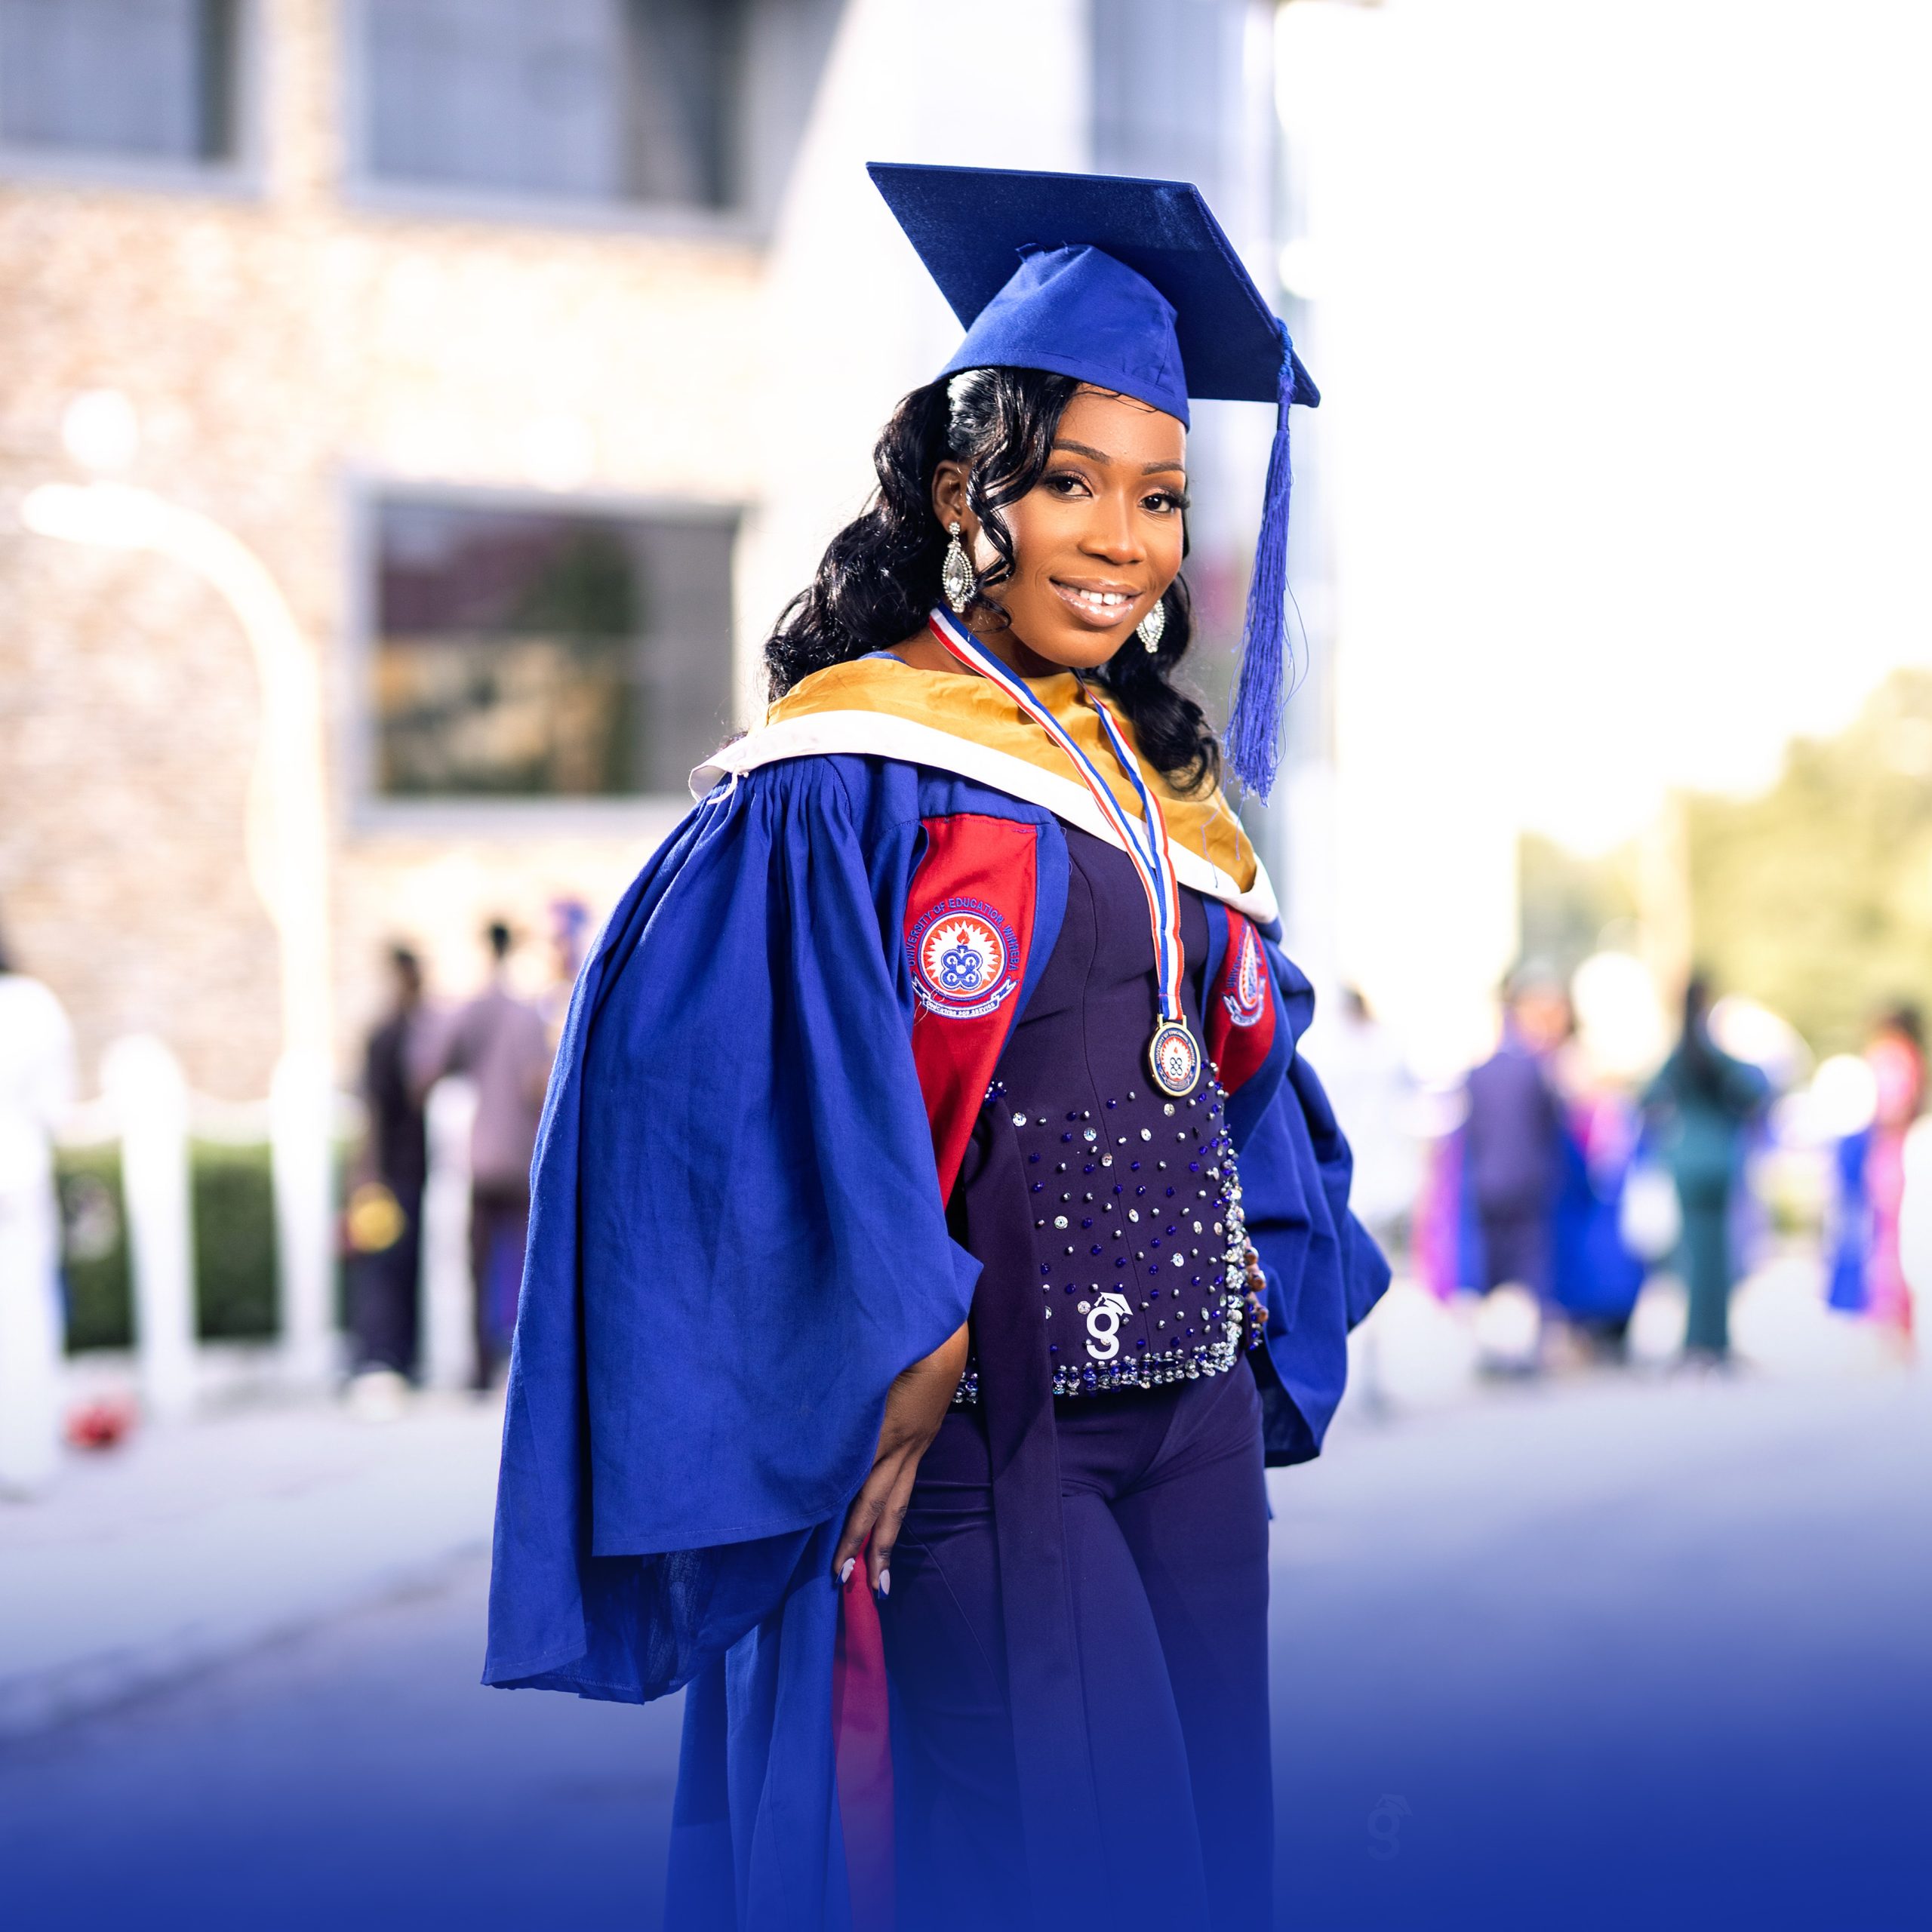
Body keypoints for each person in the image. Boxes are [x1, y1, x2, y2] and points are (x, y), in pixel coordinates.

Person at [483, 164, 1389, 1931]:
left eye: (1157, 498)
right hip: (988, 1413)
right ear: (964, 490)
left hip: (1180, 1408)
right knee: (1039, 1844)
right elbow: (708, 1088)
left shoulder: (1155, 785)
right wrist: (889, 1325)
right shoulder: (848, 773)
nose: (1122, 542)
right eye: (1070, 486)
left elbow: (1234, 1076)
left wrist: (1277, 1272)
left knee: (1201, 1834)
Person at [431, 923, 552, 1389]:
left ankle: (480, 1367)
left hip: (482, 1157)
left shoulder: (473, 1010)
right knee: (526, 1262)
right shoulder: (529, 1015)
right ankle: (525, 1361)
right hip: (521, 1157)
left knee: (479, 1264)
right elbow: (537, 1084)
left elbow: (433, 1065)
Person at [1643, 975, 1768, 1363]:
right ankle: (1717, 1338)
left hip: (1686, 1160)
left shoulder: (1678, 1055)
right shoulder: (1716, 1054)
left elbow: (1645, 1100)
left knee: (1694, 1255)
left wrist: (1670, 1130)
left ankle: (1697, 1339)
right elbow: (1756, 1092)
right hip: (1719, 1159)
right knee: (1717, 1253)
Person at [0, 918, 76, 1497]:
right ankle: (23, 1455)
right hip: (18, 1179)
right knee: (24, 1314)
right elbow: (56, 1106)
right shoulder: (32, 1006)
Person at [344, 946, 430, 1384]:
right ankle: (380, 1354)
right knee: (384, 1265)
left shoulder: (415, 1033)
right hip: (391, 1172)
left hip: (411, 1169)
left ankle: (401, 1355)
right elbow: (373, 1111)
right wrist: (368, 1172)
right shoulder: (387, 1037)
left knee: (404, 1264)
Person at [1463, 968, 1569, 1303]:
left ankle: (1498, 1338)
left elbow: (1471, 1135)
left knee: (1496, 1268)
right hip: (1527, 1182)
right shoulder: (1535, 1069)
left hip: (1488, 1182)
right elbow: (1552, 1123)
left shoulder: (1478, 1074)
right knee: (1531, 1268)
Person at [1828, 1004, 1924, 1343]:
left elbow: (1892, 1106)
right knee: (1887, 1237)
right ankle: (1892, 1322)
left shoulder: (1893, 1056)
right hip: (1892, 1150)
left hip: (1889, 1152)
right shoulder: (1908, 1056)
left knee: (1887, 1239)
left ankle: (1891, 1322)